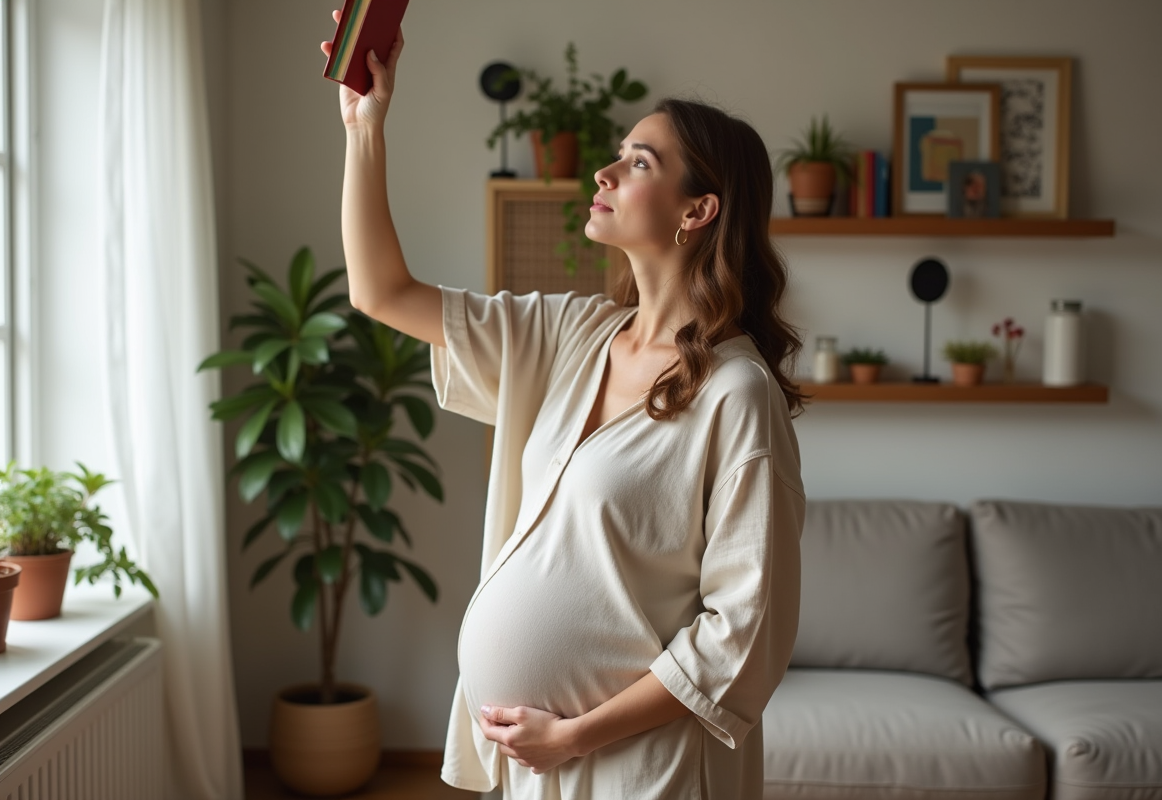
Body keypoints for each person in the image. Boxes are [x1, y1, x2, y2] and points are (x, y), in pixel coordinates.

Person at [323, 15, 805, 800]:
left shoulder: (736, 395)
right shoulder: (569, 334)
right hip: (535, 764)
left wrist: (575, 736)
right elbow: (380, 291)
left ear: (698, 211)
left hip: (645, 768)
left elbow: (744, 633)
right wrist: (364, 128)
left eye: (638, 162)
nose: (604, 175)